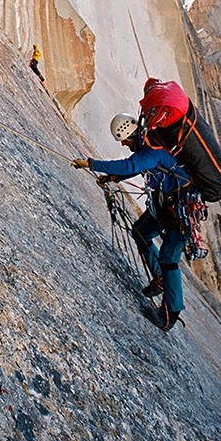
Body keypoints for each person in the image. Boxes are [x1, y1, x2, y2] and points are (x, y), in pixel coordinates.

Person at [73, 113, 192, 331]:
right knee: (141, 232)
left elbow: (130, 166)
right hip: (169, 205)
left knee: (169, 257)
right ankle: (158, 278)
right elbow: (137, 167)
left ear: (130, 134)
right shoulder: (149, 148)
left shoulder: (151, 151)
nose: (124, 144)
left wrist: (92, 164)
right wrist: (113, 178)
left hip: (182, 210)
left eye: (124, 140)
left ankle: (170, 315)